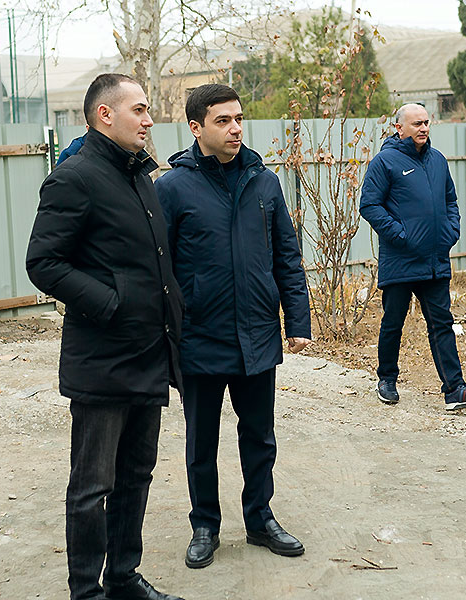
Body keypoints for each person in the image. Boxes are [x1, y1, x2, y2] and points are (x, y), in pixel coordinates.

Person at [26, 73, 185, 600]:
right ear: (105, 115)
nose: (149, 120)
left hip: (148, 352)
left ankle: (122, 578)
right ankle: (86, 591)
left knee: (137, 474)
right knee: (92, 486)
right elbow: (43, 262)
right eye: (139, 109)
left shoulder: (140, 174)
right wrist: (109, 303)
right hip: (102, 358)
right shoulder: (75, 177)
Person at [155, 84, 311, 569]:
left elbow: (286, 255)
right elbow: (160, 270)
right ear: (196, 127)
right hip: (200, 336)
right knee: (201, 442)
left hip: (257, 334)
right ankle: (205, 525)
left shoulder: (264, 182)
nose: (235, 128)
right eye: (222, 120)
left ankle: (260, 519)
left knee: (260, 436)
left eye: (239, 118)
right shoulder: (172, 188)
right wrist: (166, 335)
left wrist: (297, 319)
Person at [359, 103, 466, 411]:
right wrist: (400, 235)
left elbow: (450, 201)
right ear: (399, 128)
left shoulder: (437, 161)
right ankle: (387, 379)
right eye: (416, 123)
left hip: (435, 260)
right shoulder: (385, 162)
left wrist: (450, 232)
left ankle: (455, 390)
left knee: (442, 324)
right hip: (401, 259)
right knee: (393, 322)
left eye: (426, 123)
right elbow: (369, 205)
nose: (423, 128)